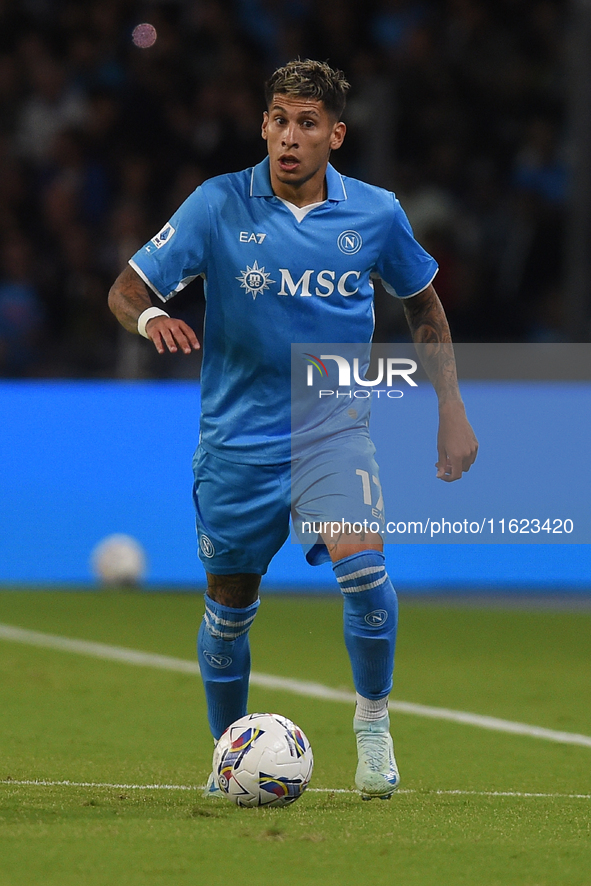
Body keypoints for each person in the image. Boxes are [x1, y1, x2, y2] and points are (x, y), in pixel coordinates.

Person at [108, 59, 478, 800]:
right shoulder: (216, 206)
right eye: (278, 119)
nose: (289, 136)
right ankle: (227, 754)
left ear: (334, 135)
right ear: (263, 125)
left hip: (331, 434)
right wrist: (152, 318)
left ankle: (372, 729)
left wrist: (451, 408)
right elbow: (126, 288)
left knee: (366, 577)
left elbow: (424, 307)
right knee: (227, 616)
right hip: (236, 443)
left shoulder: (375, 214)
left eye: (307, 123)